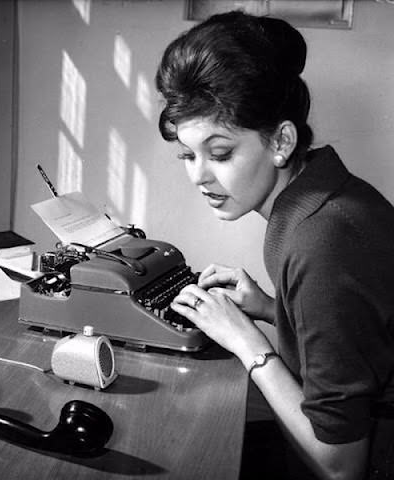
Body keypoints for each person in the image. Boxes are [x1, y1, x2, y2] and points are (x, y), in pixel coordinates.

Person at [156, 11, 394, 480]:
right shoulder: (325, 195)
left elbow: (341, 467)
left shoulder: (321, 239)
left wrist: (248, 344)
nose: (198, 176)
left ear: (281, 141)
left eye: (219, 153)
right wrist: (269, 307)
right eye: (187, 154)